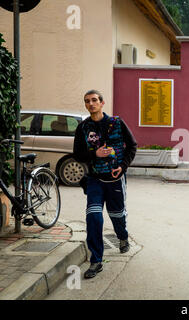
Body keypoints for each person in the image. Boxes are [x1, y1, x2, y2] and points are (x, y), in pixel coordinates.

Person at [73, 89, 137, 279]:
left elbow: (132, 145)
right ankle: (96, 260)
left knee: (117, 215)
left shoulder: (116, 123)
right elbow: (77, 154)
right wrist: (95, 154)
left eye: (94, 100)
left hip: (115, 179)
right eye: (87, 101)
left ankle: (122, 236)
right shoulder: (83, 128)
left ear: (102, 103)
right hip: (94, 179)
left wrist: (123, 167)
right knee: (94, 217)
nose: (91, 103)